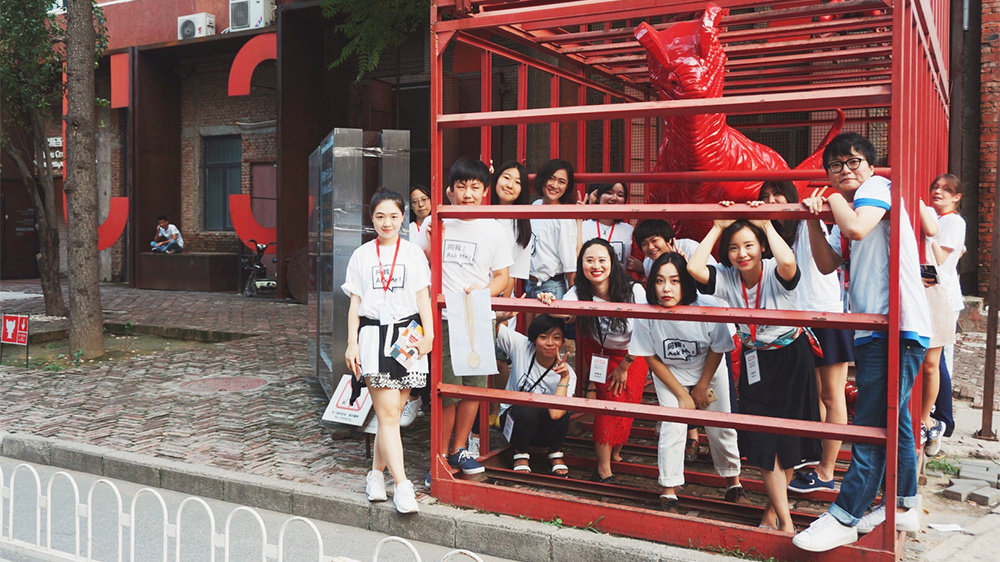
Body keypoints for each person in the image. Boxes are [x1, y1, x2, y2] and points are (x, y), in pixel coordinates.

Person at [793, 133, 931, 552]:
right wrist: (813, 219)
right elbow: (826, 263)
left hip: (897, 325)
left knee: (870, 423)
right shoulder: (852, 204)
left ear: (870, 166)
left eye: (853, 162)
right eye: (835, 166)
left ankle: (845, 515)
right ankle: (903, 503)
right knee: (894, 420)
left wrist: (831, 198)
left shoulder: (877, 189)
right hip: (877, 326)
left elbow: (856, 228)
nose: (845, 170)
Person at [688, 213, 821, 533]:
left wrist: (765, 225)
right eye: (734, 247)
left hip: (791, 358)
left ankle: (773, 515)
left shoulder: (776, 269)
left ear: (762, 247)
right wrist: (716, 227)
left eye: (749, 245)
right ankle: (786, 521)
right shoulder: (727, 277)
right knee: (763, 442)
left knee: (788, 443)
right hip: (755, 359)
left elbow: (788, 261)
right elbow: (694, 267)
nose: (742, 253)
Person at [629, 252, 745, 511]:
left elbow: (718, 348)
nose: (666, 289)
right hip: (670, 371)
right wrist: (681, 394)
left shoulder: (708, 305)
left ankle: (733, 482)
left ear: (686, 282)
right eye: (660, 281)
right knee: (672, 425)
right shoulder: (646, 313)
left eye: (675, 281)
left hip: (709, 369)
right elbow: (650, 356)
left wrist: (702, 386)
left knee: (721, 425)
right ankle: (669, 490)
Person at [758, 181, 853, 494]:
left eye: (777, 194)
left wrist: (813, 215)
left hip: (824, 316)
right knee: (812, 396)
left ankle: (827, 470)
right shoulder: (774, 233)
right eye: (765, 197)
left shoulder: (806, 224)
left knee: (832, 395)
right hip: (794, 322)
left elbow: (823, 261)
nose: (772, 201)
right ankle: (812, 462)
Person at [343, 188, 433, 514]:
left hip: (408, 338)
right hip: (372, 336)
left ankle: (375, 476)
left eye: (394, 216)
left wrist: (430, 335)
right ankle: (403, 485)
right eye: (380, 216)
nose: (387, 223)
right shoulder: (362, 255)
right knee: (389, 414)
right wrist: (352, 342)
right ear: (372, 218)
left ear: (403, 217)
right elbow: (355, 303)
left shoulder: (413, 253)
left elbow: (423, 297)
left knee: (392, 413)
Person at [421, 158, 512, 480]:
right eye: (461, 186)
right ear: (450, 190)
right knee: (448, 390)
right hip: (445, 318)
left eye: (475, 187)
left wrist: (482, 292)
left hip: (479, 316)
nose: (468, 193)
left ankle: (460, 448)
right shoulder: (436, 221)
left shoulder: (494, 229)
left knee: (473, 387)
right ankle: (439, 456)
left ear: (485, 191)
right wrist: (433, 242)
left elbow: (503, 278)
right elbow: (423, 267)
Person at [539, 238, 647, 483]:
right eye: (589, 260)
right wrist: (547, 299)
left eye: (601, 260)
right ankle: (603, 468)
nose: (596, 266)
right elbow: (561, 310)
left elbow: (646, 330)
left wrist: (625, 364)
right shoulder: (579, 290)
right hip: (600, 352)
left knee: (628, 406)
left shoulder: (633, 290)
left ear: (612, 263)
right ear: (582, 265)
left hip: (633, 354)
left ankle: (616, 449)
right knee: (608, 407)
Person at [917, 174, 965, 457]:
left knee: (935, 363)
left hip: (941, 295)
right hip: (928, 291)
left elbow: (939, 259)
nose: (939, 192)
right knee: (928, 361)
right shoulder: (936, 217)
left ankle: (934, 420)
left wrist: (930, 228)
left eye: (946, 190)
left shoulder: (953, 221)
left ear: (957, 197)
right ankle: (931, 418)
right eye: (935, 187)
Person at [496, 314, 576, 475]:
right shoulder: (521, 346)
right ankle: (520, 453)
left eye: (556, 338)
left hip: (544, 432)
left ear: (562, 342)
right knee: (527, 407)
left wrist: (564, 378)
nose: (550, 343)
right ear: (533, 340)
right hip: (515, 424)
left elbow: (556, 414)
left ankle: (555, 452)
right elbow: (495, 327)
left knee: (562, 409)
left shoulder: (569, 374)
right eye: (543, 337)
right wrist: (502, 315)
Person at [528, 159, 578, 299]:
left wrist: (573, 297)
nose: (555, 185)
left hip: (551, 287)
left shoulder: (564, 217)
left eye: (562, 182)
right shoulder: (535, 205)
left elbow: (570, 264)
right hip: (529, 283)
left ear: (567, 186)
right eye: (551, 178)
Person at [581, 182, 635, 264]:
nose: (614, 198)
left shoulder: (629, 230)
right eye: (609, 193)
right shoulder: (583, 227)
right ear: (598, 197)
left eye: (620, 195)